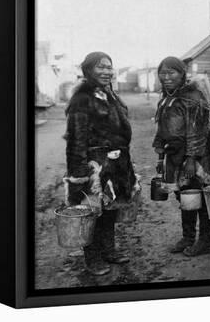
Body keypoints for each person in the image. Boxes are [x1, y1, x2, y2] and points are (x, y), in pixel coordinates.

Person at [64, 52, 137, 276]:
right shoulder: (82, 99)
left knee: (110, 210)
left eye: (109, 67)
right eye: (100, 67)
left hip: (115, 166)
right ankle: (92, 258)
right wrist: (79, 175)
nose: (107, 71)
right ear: (88, 70)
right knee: (92, 212)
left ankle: (108, 251)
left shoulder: (109, 95)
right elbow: (76, 139)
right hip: (94, 167)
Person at [153, 56, 210, 256]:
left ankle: (204, 242)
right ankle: (188, 237)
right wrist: (160, 156)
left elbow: (197, 130)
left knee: (201, 199)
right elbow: (161, 129)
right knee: (185, 197)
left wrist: (191, 159)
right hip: (174, 157)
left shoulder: (193, 97)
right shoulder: (167, 98)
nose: (166, 76)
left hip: (195, 159)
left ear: (182, 74)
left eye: (172, 72)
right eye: (163, 72)